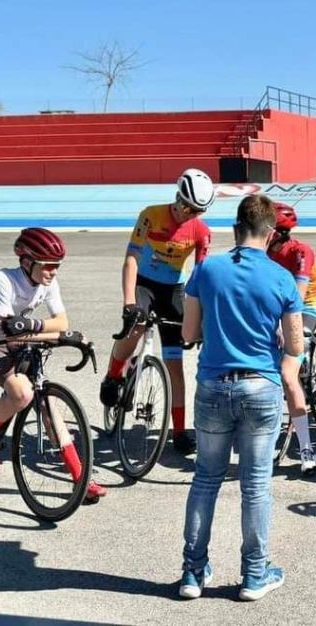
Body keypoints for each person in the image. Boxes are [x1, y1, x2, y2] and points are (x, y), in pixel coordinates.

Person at [179, 194, 304, 602]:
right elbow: (295, 345)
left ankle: (193, 571)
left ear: (236, 229)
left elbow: (188, 333)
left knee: (205, 479)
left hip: (214, 384)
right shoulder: (281, 278)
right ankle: (254, 573)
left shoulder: (206, 270)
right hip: (260, 386)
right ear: (269, 234)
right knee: (255, 486)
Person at [0, 227, 106, 502]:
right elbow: (10, 331)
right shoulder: (2, 281)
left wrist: (37, 326)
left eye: (57, 266)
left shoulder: (48, 284)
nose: (53, 271)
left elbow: (61, 322)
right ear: (27, 261)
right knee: (22, 394)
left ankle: (81, 478)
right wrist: (55, 334)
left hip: (21, 342)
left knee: (49, 407)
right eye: (48, 265)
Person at [100, 168, 214, 456]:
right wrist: (129, 303)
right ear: (178, 198)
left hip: (173, 290)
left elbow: (200, 277)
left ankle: (179, 431)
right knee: (136, 326)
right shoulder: (151, 214)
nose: (191, 214)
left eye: (198, 211)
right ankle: (114, 375)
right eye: (188, 207)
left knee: (175, 364)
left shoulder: (201, 231)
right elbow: (131, 259)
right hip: (144, 284)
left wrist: (199, 318)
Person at [267, 201, 316, 475]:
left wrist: (283, 325)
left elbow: (297, 299)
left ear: (278, 232)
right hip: (278, 309)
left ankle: (307, 449)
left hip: (306, 307)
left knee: (289, 374)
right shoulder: (265, 252)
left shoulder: (301, 251)